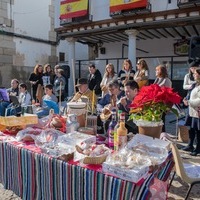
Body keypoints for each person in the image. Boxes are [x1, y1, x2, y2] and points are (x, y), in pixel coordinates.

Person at [183, 65, 200, 156]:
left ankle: (198, 148)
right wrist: (185, 99)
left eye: (195, 74)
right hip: (192, 111)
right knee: (192, 128)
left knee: (198, 131)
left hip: (197, 111)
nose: (194, 75)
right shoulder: (195, 84)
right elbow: (189, 93)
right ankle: (191, 145)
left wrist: (189, 102)